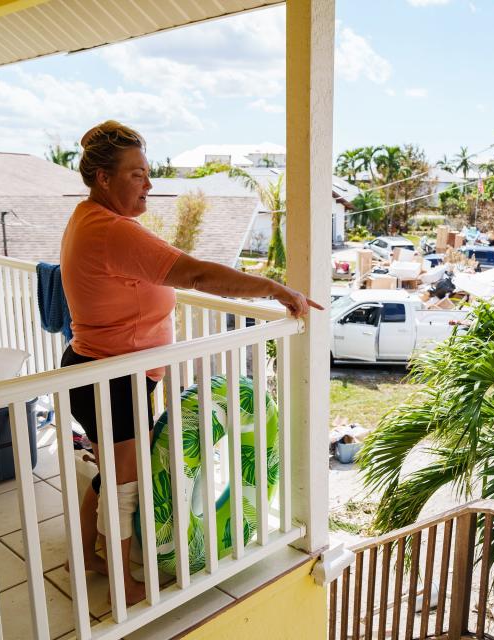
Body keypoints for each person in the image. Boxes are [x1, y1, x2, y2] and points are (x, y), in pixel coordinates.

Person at [60, 121, 321, 606]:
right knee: (124, 485)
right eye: (137, 174)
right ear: (103, 178)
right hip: (111, 377)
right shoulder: (111, 230)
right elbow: (198, 273)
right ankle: (120, 582)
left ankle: (89, 555)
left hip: (104, 369)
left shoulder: (88, 216)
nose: (149, 184)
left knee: (110, 473)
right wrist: (276, 289)